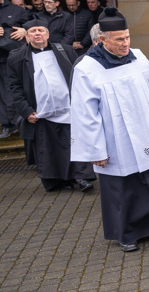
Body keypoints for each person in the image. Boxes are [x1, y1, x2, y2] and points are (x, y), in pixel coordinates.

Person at [71, 8, 149, 252]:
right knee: (123, 188)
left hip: (146, 131)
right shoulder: (87, 68)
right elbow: (85, 114)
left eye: (127, 37)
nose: (126, 43)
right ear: (102, 40)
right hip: (116, 138)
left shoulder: (139, 56)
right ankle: (127, 233)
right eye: (119, 39)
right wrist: (96, 150)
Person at [7, 18, 95, 192]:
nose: (37, 34)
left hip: (69, 109)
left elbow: (79, 77)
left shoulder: (66, 51)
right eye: (33, 31)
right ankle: (58, 180)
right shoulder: (16, 58)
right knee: (49, 148)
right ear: (27, 36)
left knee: (75, 143)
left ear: (48, 33)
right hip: (40, 112)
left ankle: (82, 177)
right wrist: (26, 111)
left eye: (41, 30)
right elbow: (15, 88)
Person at [0, 0, 30, 139]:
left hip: (11, 58)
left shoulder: (16, 10)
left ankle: (17, 122)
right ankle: (6, 124)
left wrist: (25, 29)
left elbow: (33, 23)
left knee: (13, 91)